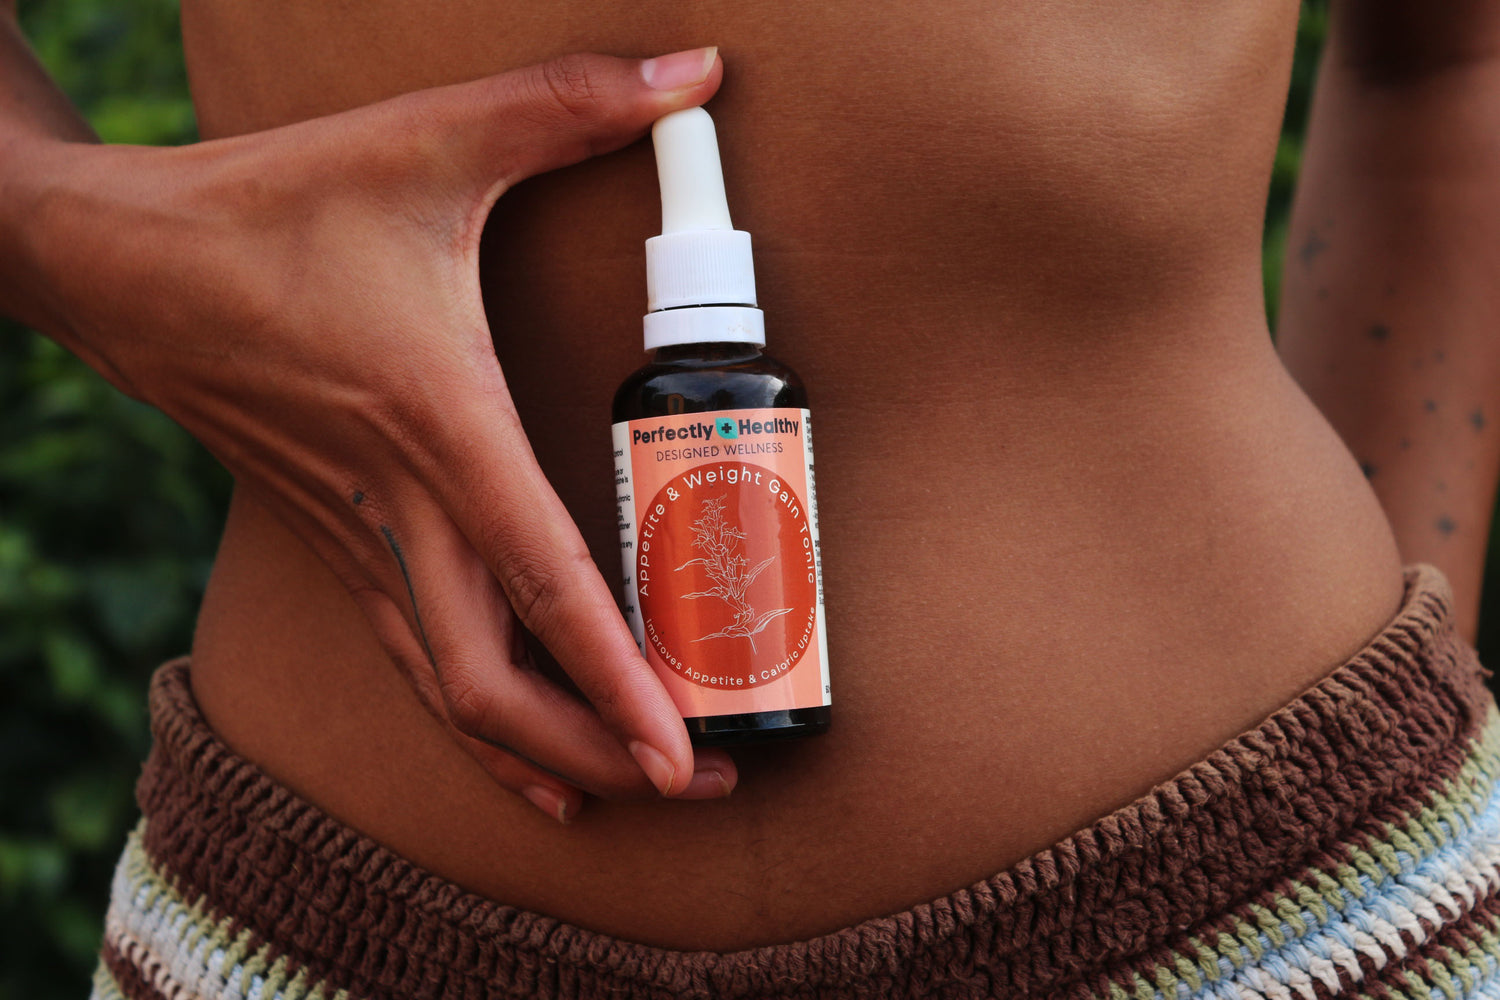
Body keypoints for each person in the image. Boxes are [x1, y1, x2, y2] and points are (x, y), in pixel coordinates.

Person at [3, 0, 1499, 997]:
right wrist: (81, 240)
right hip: (317, 934)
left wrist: (1393, 701)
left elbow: (1445, 66)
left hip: (1289, 912)